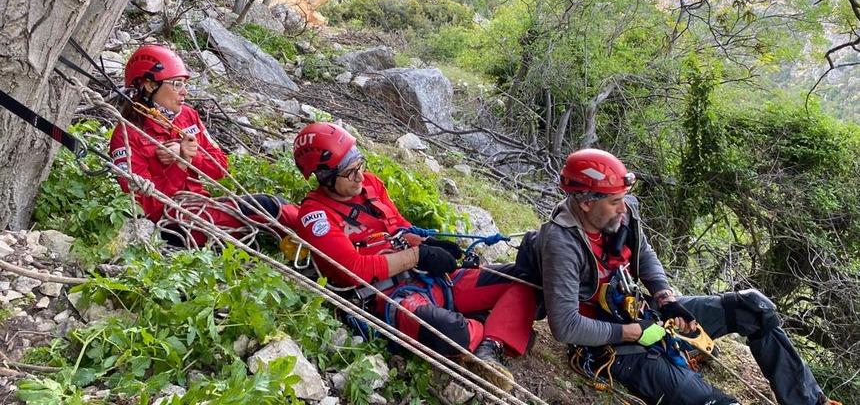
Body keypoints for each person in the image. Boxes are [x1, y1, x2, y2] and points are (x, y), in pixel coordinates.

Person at [533, 148, 841, 405]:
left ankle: (808, 401)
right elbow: (566, 326)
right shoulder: (562, 243)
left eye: (623, 199)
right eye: (614, 202)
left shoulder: (622, 214)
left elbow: (645, 255)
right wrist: (632, 332)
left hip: (646, 315)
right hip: (614, 345)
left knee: (753, 309)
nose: (622, 209)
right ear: (586, 203)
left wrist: (667, 299)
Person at [293, 122, 537, 390]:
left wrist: (430, 243)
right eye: (350, 173)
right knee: (450, 333)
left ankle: (488, 345)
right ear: (325, 176)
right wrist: (417, 256)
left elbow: (397, 224)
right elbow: (352, 268)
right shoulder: (316, 215)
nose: (360, 177)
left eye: (360, 165)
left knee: (525, 280)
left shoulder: (371, 185)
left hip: (438, 281)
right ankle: (495, 328)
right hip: (395, 297)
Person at [108, 45, 299, 248]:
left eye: (184, 84)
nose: (184, 92)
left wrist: (193, 154)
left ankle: (317, 232)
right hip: (173, 224)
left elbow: (221, 167)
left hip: (201, 208)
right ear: (149, 85)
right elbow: (147, 206)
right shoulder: (126, 136)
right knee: (268, 207)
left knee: (274, 206)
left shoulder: (188, 117)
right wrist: (181, 164)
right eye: (177, 84)